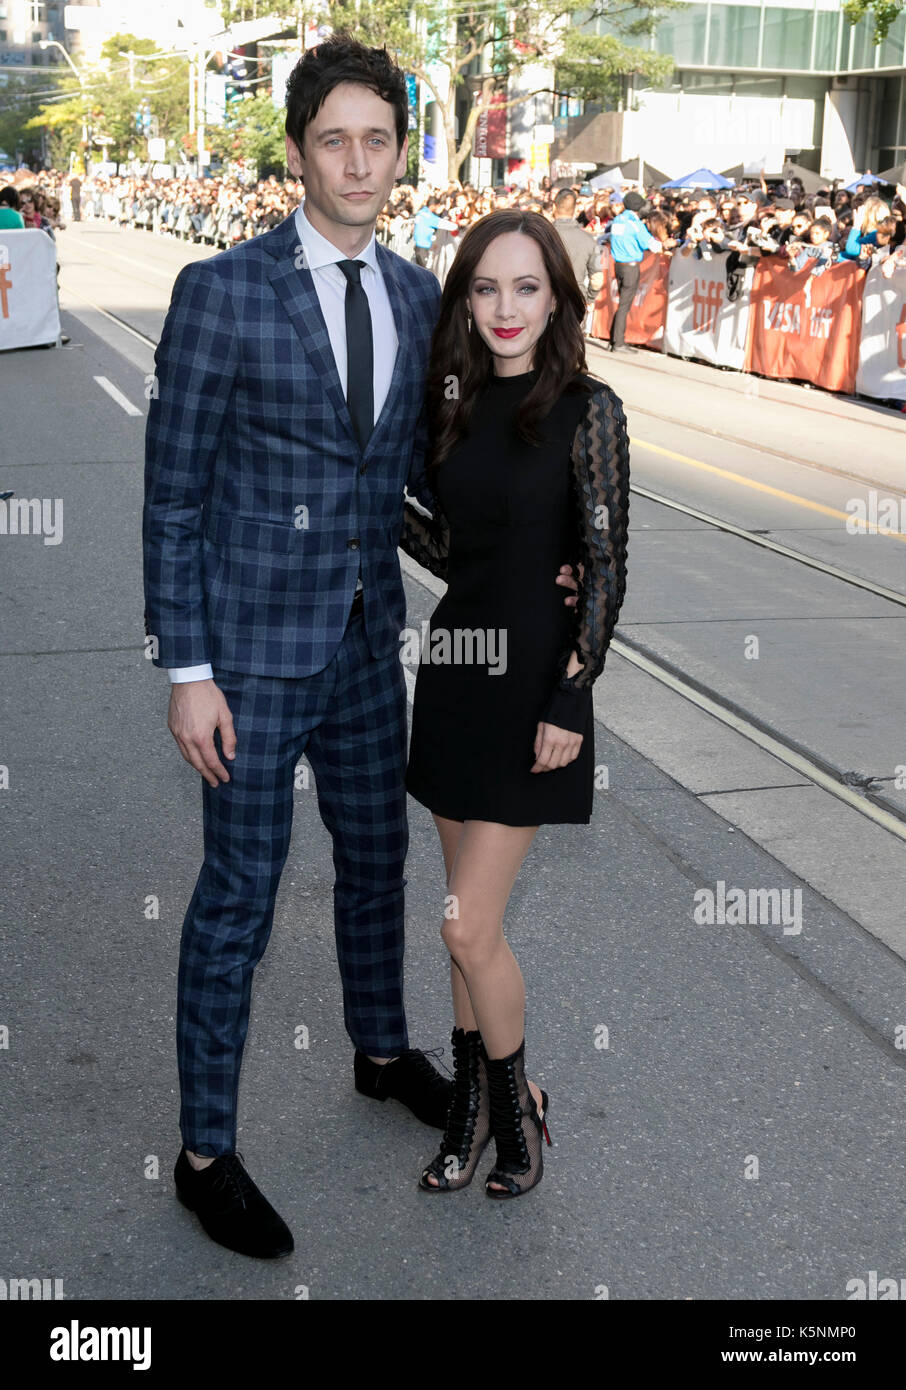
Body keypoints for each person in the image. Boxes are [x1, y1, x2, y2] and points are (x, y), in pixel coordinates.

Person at [143, 34, 580, 1260]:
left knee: (379, 862)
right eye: (331, 139)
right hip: (248, 656)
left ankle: (381, 1052)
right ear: (295, 154)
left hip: (364, 648)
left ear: (399, 153)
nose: (355, 160)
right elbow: (174, 496)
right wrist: (189, 670)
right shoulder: (222, 290)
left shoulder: (410, 298)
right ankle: (205, 1152)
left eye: (375, 140)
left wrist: (527, 570)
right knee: (240, 894)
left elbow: (406, 495)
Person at [400, 209, 630, 1198]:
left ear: (556, 298)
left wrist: (572, 699)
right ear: (464, 299)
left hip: (539, 683)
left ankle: (516, 1103)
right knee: (461, 913)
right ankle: (469, 1104)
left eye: (526, 287)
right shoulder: (445, 404)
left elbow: (610, 565)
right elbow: (455, 550)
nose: (505, 308)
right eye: (486, 288)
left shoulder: (590, 407)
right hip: (455, 668)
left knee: (465, 927)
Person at [606, 190, 661, 354]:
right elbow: (651, 244)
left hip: (618, 265)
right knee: (624, 305)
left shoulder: (617, 220)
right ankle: (619, 343)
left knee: (621, 303)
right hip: (630, 266)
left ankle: (613, 339)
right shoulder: (634, 223)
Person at [551, 187, 604, 331]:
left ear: (554, 206)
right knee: (571, 346)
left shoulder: (541, 235)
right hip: (576, 298)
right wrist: (590, 299)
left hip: (546, 298)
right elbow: (597, 277)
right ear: (575, 209)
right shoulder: (588, 239)